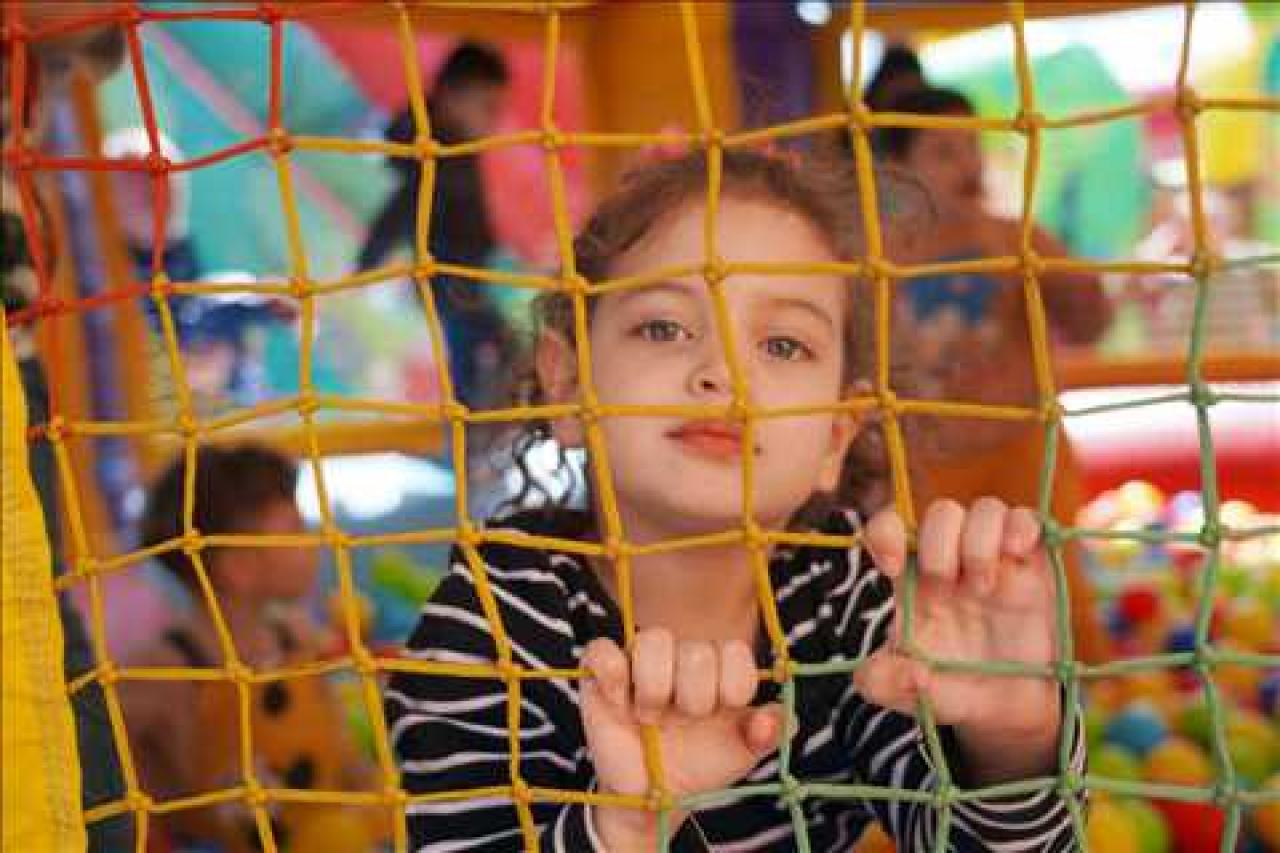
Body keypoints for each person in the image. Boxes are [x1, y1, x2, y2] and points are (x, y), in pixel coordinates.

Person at [385, 148, 1085, 851]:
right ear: (567, 382)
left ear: (835, 437)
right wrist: (626, 826)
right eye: (664, 328)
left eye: (783, 345)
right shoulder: (500, 614)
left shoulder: (847, 591)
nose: (723, 372)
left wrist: (1014, 739)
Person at [874, 86, 1114, 664]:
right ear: (900, 171)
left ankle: (1085, 690)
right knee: (930, 600)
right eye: (944, 152)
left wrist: (1068, 285)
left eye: (972, 147)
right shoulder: (883, 256)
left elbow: (1093, 324)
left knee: (1058, 588)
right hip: (929, 465)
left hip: (1023, 451)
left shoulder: (1017, 239)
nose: (968, 165)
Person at [121, 444, 386, 852]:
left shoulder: (293, 638)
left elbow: (341, 750)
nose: (312, 542)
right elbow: (107, 743)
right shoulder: (167, 666)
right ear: (238, 567)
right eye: (294, 529)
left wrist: (378, 797)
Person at [357, 41, 512, 410]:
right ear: (451, 99)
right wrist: (370, 258)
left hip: (461, 276)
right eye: (488, 107)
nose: (493, 122)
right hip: (447, 277)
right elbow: (403, 206)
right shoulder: (435, 153)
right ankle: (469, 428)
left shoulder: (453, 151)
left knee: (484, 354)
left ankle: (473, 423)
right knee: (481, 354)